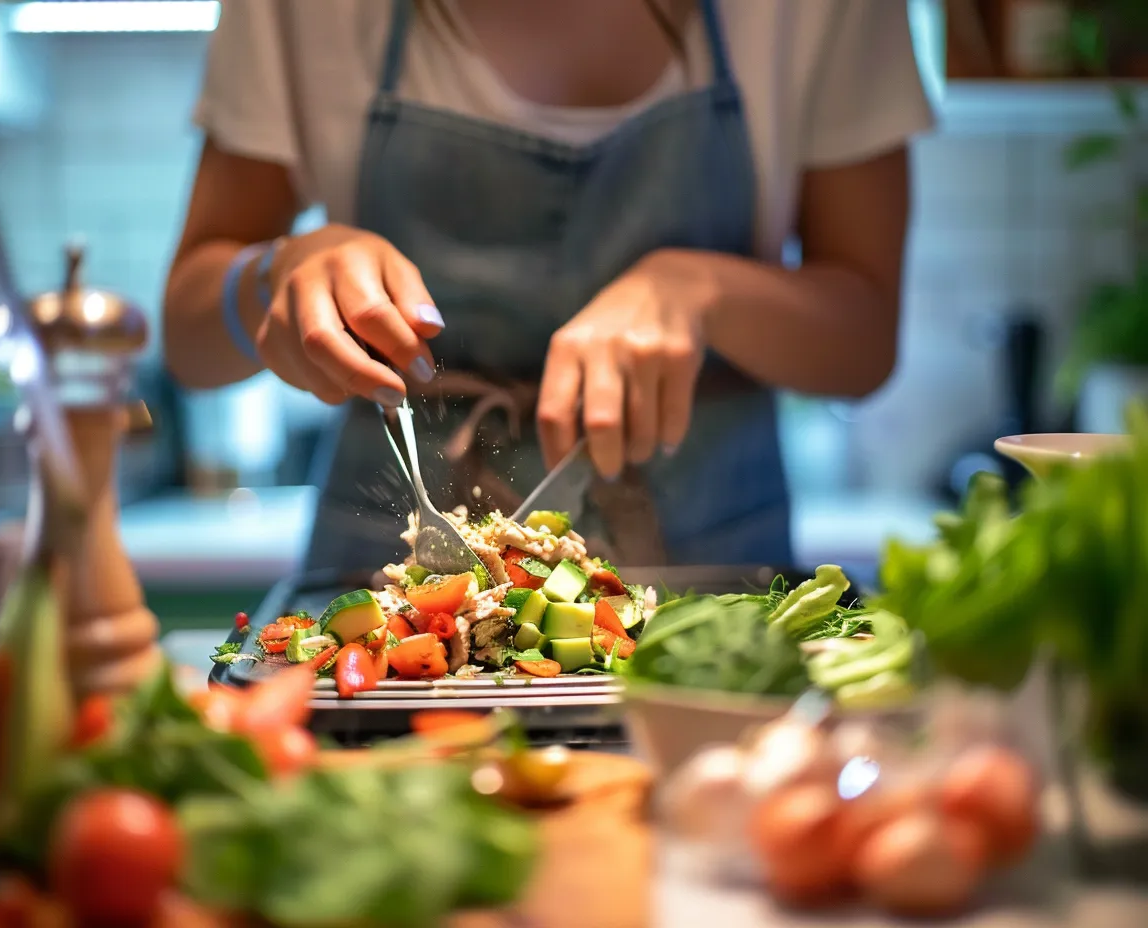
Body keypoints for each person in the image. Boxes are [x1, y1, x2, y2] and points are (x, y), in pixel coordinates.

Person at [163, 0, 933, 574]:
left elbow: (862, 342)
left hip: (711, 593)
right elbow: (190, 335)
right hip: (386, 595)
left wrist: (705, 292)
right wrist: (275, 274)